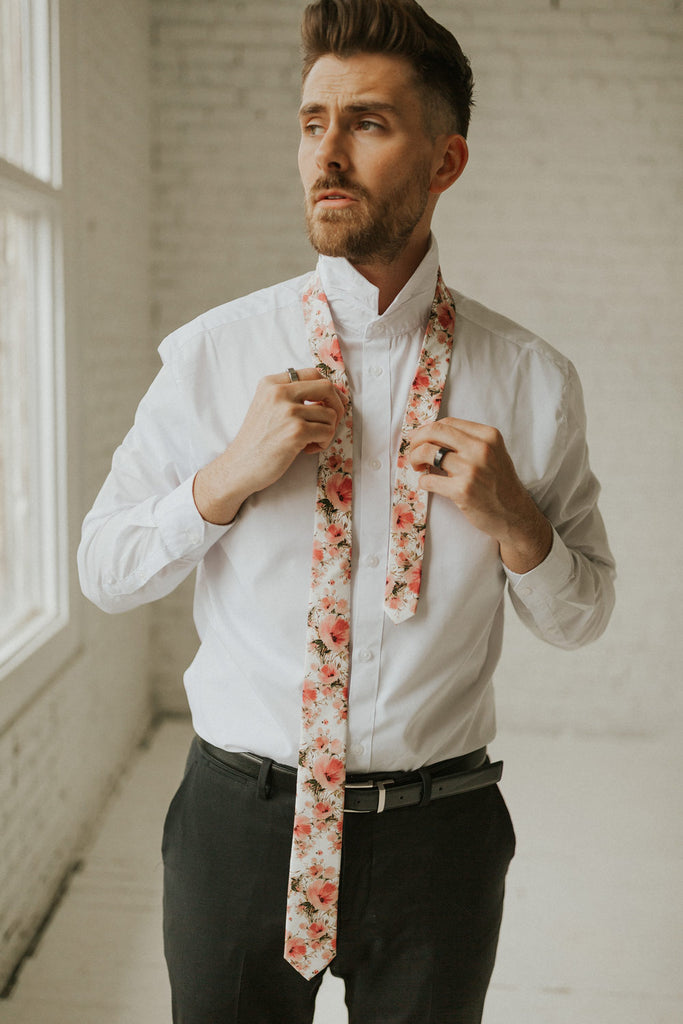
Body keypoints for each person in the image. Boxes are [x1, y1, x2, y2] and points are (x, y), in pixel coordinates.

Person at [78, 1, 615, 1021]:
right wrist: (226, 478)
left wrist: (516, 523)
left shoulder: (532, 382)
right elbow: (103, 569)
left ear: (444, 161)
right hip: (242, 829)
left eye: (366, 123)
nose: (326, 152)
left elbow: (582, 614)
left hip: (438, 839)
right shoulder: (213, 357)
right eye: (310, 121)